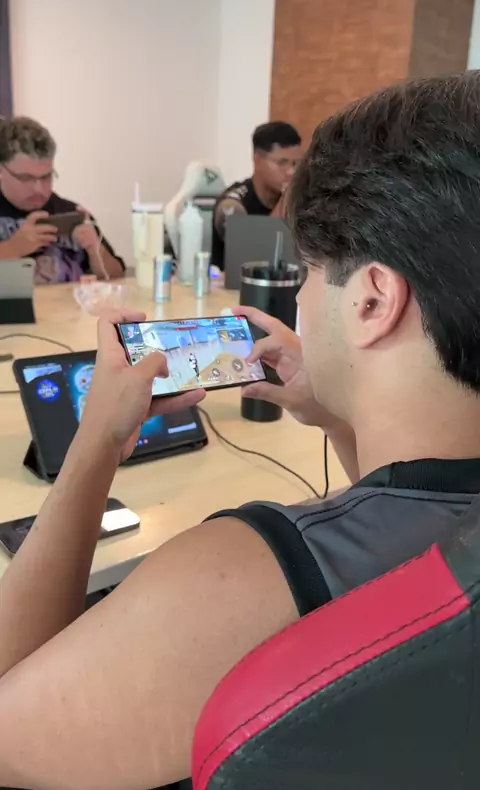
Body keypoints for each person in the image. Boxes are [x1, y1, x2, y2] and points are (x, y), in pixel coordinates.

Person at [1, 73, 480, 789]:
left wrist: (93, 442)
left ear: (373, 300)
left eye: (310, 271)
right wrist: (334, 411)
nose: (302, 294)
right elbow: (401, 517)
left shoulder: (233, 576)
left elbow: (7, 725)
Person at [0, 116, 125, 283]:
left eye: (46, 177)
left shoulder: (69, 212)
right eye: (26, 178)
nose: (39, 189)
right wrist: (13, 248)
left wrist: (95, 249)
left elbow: (118, 279)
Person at [211, 121, 302, 270]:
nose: (291, 172)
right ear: (257, 159)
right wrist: (286, 200)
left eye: (295, 163)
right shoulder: (232, 204)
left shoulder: (296, 200)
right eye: (282, 163)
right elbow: (252, 258)